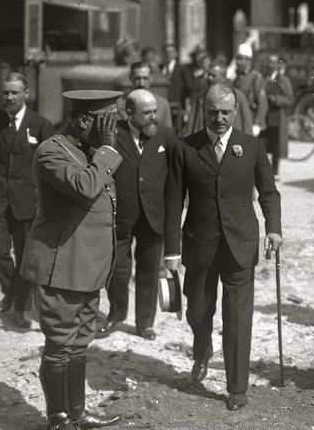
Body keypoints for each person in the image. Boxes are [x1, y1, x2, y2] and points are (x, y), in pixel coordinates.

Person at [164, 82, 282, 411]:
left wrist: (274, 229)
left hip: (239, 246)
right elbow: (173, 203)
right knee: (197, 311)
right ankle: (202, 349)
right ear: (203, 111)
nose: (219, 118)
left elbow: (269, 193)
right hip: (199, 246)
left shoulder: (253, 146)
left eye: (226, 112)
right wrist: (171, 252)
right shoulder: (185, 148)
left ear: (236, 112)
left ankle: (237, 387)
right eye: (213, 112)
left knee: (238, 319)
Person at [20, 90, 124, 430]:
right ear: (83, 120)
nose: (113, 129)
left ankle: (77, 414)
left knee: (79, 343)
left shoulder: (89, 150)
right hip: (60, 265)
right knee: (60, 344)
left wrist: (103, 148)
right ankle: (58, 419)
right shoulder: (51, 151)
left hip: (88, 266)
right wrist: (107, 149)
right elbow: (85, 187)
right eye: (107, 121)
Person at [96, 90, 177, 341]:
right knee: (118, 271)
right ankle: (116, 314)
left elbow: (177, 176)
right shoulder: (113, 135)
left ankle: (145, 322)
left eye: (155, 111)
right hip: (121, 217)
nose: (154, 117)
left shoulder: (166, 135)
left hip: (154, 216)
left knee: (150, 271)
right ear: (130, 114)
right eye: (147, 113)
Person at [0, 73, 54, 328]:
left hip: (27, 203)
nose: (9, 97)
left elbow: (49, 168)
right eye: (5, 93)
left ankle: (19, 306)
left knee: (25, 257)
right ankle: (14, 295)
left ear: (26, 93)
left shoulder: (41, 125)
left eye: (14, 92)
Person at [184, 60, 254, 137]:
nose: (209, 78)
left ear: (223, 77)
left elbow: (247, 122)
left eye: (213, 76)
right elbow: (193, 124)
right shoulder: (202, 98)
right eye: (208, 75)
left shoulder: (238, 96)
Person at [263, 54, 294, 175]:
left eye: (272, 63)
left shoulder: (283, 80)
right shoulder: (264, 78)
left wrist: (275, 99)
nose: (270, 65)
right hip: (265, 117)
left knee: (276, 146)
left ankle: (274, 171)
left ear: (277, 65)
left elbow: (289, 99)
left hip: (277, 117)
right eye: (268, 62)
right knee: (262, 144)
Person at [233, 43, 267, 137]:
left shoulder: (255, 77)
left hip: (249, 121)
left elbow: (262, 103)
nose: (238, 62)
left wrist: (257, 124)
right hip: (236, 121)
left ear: (248, 61)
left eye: (241, 59)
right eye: (237, 58)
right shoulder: (236, 78)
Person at [124, 61, 172, 127]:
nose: (141, 83)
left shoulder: (163, 104)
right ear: (130, 78)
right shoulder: (120, 104)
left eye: (145, 78)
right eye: (137, 78)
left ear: (151, 78)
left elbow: (168, 134)